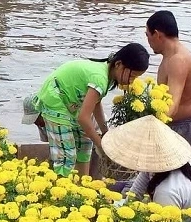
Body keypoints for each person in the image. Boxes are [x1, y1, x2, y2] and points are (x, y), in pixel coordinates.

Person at [33, 43, 150, 176]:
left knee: (85, 144)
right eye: (131, 76)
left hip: (70, 103)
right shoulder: (100, 78)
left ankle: (82, 186)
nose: (132, 81)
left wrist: (105, 132)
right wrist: (100, 145)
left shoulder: (108, 76)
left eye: (135, 78)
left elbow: (96, 103)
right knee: (66, 157)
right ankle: (59, 192)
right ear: (118, 64)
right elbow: (83, 119)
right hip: (55, 100)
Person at [146, 10, 191, 166]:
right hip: (172, 126)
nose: (148, 41)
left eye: (148, 35)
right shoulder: (168, 57)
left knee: (185, 180)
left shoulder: (178, 60)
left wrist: (150, 127)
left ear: (158, 35)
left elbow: (171, 105)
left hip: (187, 127)